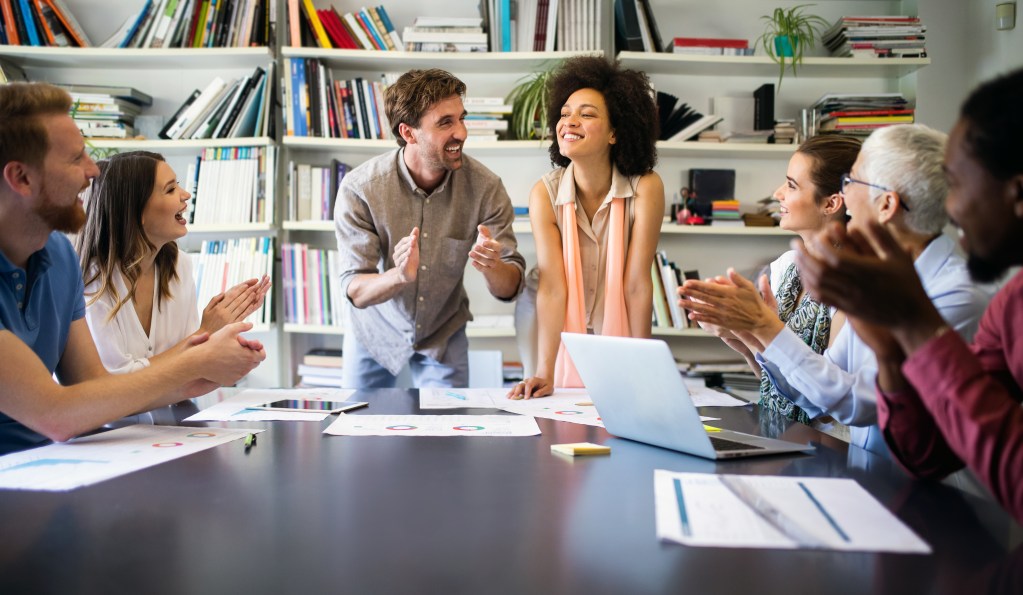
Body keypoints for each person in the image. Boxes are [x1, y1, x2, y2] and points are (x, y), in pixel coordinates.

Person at [794, 68, 1023, 522]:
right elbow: (928, 453)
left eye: (957, 183)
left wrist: (914, 324)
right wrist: (890, 350)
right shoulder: (1009, 303)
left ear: (1016, 194)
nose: (948, 208)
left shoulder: (968, 295)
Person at [678, 125, 991, 454]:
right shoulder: (876, 280)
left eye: (853, 183)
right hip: (866, 469)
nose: (845, 199)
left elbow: (854, 405)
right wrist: (749, 333)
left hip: (918, 483)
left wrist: (763, 326)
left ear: (886, 204)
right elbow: (819, 395)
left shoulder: (957, 296)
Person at [0, 82, 265, 454]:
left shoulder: (59, 256)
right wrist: (198, 357)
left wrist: (209, 371)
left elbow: (96, 390)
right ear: (21, 178)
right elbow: (58, 416)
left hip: (47, 464)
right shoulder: (84, 267)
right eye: (75, 159)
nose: (93, 171)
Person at [334, 69, 525, 389]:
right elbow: (355, 288)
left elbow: (510, 288)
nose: (461, 132)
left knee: (449, 421)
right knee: (358, 418)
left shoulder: (486, 188)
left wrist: (494, 266)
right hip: (375, 331)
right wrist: (399, 276)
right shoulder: (361, 188)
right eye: (445, 122)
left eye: (461, 118)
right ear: (408, 133)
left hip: (443, 333)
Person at [508, 56, 664, 399]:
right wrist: (544, 372)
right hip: (545, 316)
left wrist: (644, 366)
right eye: (564, 114)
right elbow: (552, 287)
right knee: (552, 398)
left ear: (614, 133)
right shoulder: (544, 193)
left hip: (615, 313)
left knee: (622, 398)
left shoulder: (646, 187)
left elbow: (637, 284)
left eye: (587, 114)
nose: (569, 122)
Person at [677, 135, 859, 424]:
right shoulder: (786, 266)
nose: (777, 194)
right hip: (781, 431)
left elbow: (827, 407)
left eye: (791, 185)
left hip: (830, 441)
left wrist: (756, 328)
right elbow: (773, 381)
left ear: (831, 203)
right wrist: (735, 332)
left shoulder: (853, 287)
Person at [75, 151, 270, 375]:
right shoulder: (94, 284)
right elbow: (118, 383)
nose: (186, 195)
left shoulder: (180, 266)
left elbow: (189, 369)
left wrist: (226, 350)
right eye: (170, 190)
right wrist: (204, 334)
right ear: (136, 211)